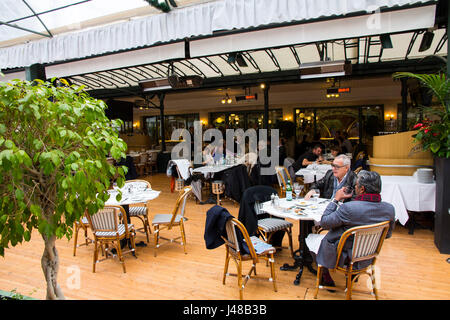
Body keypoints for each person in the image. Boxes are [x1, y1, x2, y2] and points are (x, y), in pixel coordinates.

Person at [314, 170, 395, 288]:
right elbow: (387, 235)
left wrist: (335, 200)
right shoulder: (389, 209)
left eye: (356, 185)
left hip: (343, 255)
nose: (354, 187)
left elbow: (324, 223)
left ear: (361, 189)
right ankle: (351, 275)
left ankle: (325, 274)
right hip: (369, 254)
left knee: (312, 238)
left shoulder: (349, 208)